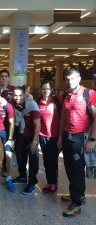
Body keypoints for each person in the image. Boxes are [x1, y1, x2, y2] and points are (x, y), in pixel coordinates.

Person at [57, 68, 96, 217]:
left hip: (81, 136)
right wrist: (60, 136)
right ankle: (76, 194)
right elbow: (63, 118)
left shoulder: (89, 94)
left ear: (79, 79)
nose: (69, 82)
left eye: (72, 79)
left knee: (77, 169)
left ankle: (77, 202)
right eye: (67, 79)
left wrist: (92, 139)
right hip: (67, 135)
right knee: (68, 166)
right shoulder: (65, 95)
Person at [12, 86, 41, 196]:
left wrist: (34, 141)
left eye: (20, 95)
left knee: (33, 160)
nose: (17, 97)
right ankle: (23, 176)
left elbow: (38, 124)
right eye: (15, 95)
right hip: (20, 135)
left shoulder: (32, 104)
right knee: (20, 157)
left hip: (31, 136)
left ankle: (32, 183)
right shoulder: (13, 103)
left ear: (24, 94)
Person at [36, 80, 61, 194]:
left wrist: (61, 137)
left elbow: (63, 119)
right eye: (43, 89)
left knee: (53, 160)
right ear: (40, 90)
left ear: (51, 90)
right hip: (43, 135)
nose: (45, 91)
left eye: (47, 88)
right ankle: (49, 181)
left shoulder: (57, 101)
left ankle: (54, 183)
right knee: (46, 160)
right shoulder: (38, 102)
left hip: (55, 136)